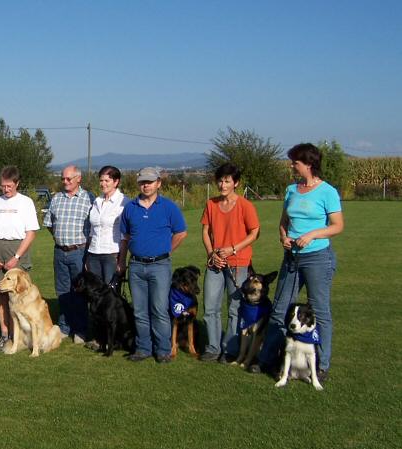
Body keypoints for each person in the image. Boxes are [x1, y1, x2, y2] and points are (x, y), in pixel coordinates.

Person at [256, 143, 343, 380]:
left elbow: (337, 225)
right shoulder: (291, 190)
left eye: (295, 162)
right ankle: (267, 359)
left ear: (309, 164)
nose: (292, 165)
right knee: (280, 308)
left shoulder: (327, 192)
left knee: (320, 311)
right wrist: (283, 237)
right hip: (291, 258)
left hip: (317, 258)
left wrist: (312, 234)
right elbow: (284, 221)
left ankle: (321, 364)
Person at [118, 167, 187, 363]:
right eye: (142, 182)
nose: (145, 185)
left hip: (160, 266)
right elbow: (125, 237)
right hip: (137, 266)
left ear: (158, 183)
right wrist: (122, 261)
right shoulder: (130, 208)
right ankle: (143, 348)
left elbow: (181, 233)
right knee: (140, 310)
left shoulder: (169, 207)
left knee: (159, 309)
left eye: (149, 182)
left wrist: (166, 251)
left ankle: (163, 350)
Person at [199, 163, 260, 363]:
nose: (223, 185)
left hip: (238, 263)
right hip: (215, 264)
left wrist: (233, 248)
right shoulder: (211, 204)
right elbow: (205, 232)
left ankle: (230, 349)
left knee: (234, 309)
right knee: (210, 307)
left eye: (227, 181)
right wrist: (211, 254)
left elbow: (254, 233)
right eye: (220, 180)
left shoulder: (245, 205)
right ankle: (213, 347)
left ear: (236, 183)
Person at [0, 165, 39, 351]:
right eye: (3, 186)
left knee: (20, 295)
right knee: (0, 295)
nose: (5, 190)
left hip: (18, 248)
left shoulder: (26, 202)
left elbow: (31, 233)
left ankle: (19, 336)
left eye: (9, 186)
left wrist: (16, 257)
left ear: (17, 183)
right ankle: (5, 334)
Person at [43, 165, 94, 343]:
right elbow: (49, 224)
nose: (65, 182)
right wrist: (60, 240)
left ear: (78, 179)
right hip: (59, 251)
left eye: (68, 179)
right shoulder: (56, 199)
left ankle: (80, 329)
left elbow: (94, 226)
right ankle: (64, 327)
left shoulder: (88, 198)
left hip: (79, 252)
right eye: (63, 179)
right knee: (62, 291)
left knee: (79, 291)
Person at [86, 165, 130, 284]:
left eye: (107, 181)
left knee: (110, 296)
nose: (103, 184)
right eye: (101, 180)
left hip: (112, 255)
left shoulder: (124, 202)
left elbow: (125, 236)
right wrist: (87, 257)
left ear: (116, 182)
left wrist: (121, 261)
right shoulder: (97, 201)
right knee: (95, 293)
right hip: (94, 253)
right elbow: (92, 231)